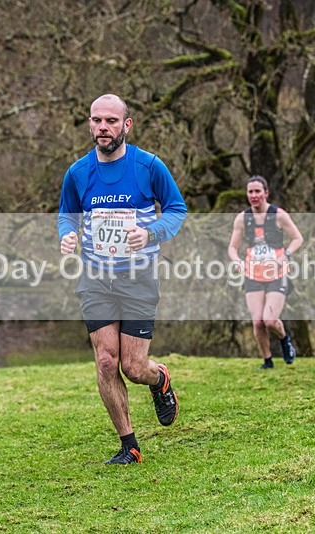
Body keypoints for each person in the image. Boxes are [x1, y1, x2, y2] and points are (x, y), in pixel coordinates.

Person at [57, 94, 187, 464]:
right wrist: (67, 234)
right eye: (97, 120)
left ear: (126, 125)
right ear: (89, 124)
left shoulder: (149, 166)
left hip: (138, 278)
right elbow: (67, 214)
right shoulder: (78, 172)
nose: (103, 127)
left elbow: (177, 209)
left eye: (111, 121)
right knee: (105, 361)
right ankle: (129, 445)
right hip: (95, 278)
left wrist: (151, 233)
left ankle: (159, 378)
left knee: (133, 367)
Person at [228, 176, 303, 370]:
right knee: (258, 322)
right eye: (250, 192)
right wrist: (237, 261)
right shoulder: (242, 219)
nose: (254, 196)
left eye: (257, 191)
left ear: (266, 193)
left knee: (269, 320)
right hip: (253, 274)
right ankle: (267, 361)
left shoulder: (279, 215)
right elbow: (232, 248)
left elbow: (297, 238)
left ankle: (285, 339)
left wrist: (286, 254)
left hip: (277, 274)